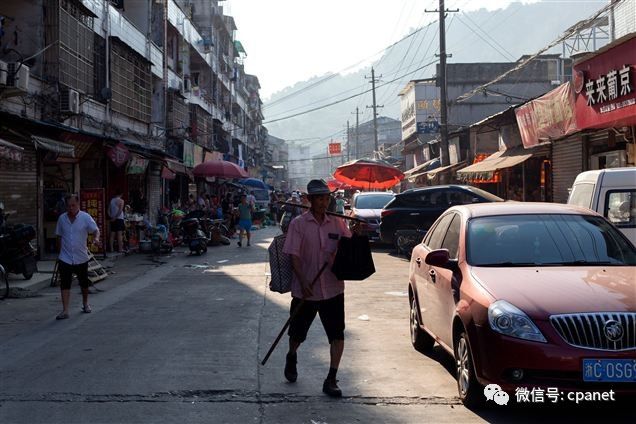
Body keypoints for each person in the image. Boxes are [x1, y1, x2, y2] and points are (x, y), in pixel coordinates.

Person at [282, 179, 353, 398]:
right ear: (310, 200)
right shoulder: (299, 224)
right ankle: (292, 355)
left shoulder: (338, 223)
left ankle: (331, 378)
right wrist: (302, 281)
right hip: (306, 290)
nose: (324, 202)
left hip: (333, 288)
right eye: (319, 198)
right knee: (297, 333)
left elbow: (349, 247)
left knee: (337, 334)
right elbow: (293, 254)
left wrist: (357, 233)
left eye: (326, 198)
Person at [55, 194, 100, 320]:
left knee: (83, 283)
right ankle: (65, 310)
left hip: (81, 257)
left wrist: (96, 239)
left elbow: (96, 230)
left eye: (73, 205)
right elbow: (58, 236)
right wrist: (59, 253)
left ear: (78, 204)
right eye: (68, 206)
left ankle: (85, 303)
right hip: (65, 257)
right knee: (65, 283)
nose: (71, 208)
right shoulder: (62, 219)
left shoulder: (85, 218)